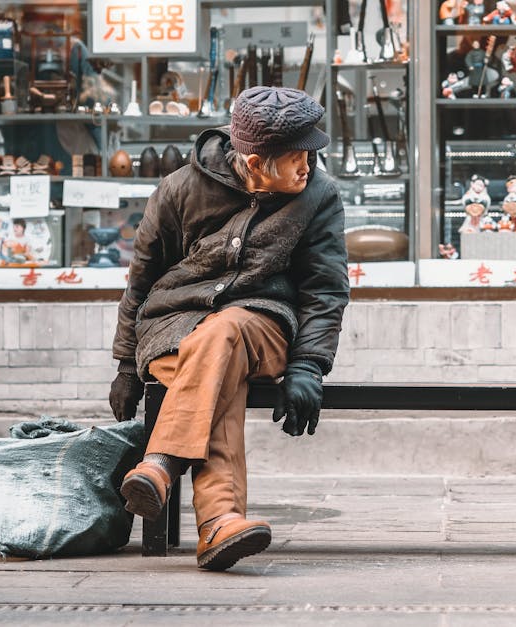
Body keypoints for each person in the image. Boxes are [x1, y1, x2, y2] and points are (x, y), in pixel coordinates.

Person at [108, 86, 350, 572]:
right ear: (256, 162)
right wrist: (126, 363)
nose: (309, 165)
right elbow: (142, 279)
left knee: (226, 332)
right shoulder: (179, 188)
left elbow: (325, 290)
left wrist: (308, 365)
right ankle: (218, 523)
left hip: (262, 324)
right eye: (298, 156)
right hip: (173, 327)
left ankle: (161, 463)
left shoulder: (319, 196)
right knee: (216, 364)